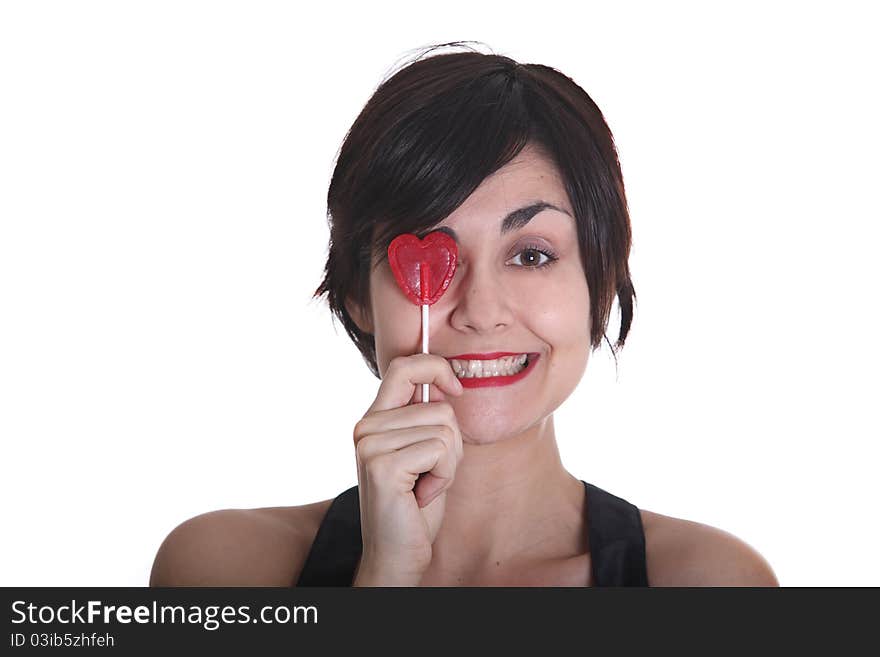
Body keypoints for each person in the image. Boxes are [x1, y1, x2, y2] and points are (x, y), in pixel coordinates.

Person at [150, 43, 779, 587]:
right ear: (358, 296)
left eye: (531, 254)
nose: (480, 311)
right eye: (430, 251)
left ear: (601, 280)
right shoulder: (222, 569)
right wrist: (384, 580)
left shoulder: (712, 582)